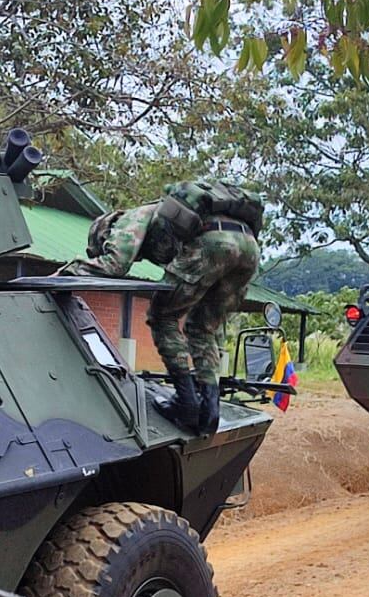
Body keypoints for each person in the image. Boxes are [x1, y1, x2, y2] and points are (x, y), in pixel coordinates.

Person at [72, 179, 263, 435]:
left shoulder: (127, 220)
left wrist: (61, 275)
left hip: (212, 243)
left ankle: (186, 403)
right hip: (249, 249)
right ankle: (210, 411)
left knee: (163, 317)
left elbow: (114, 265)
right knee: (203, 328)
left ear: (104, 233)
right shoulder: (162, 215)